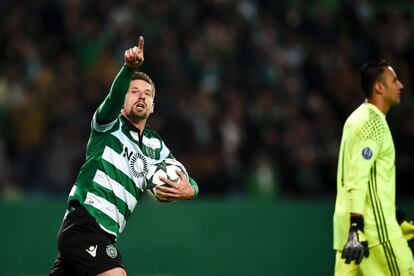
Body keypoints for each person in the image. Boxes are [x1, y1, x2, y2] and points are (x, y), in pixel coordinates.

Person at [49, 36, 199, 276]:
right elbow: (112, 98)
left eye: (147, 94)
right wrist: (129, 69)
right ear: (122, 100)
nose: (141, 96)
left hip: (105, 233)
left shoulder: (155, 146)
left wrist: (190, 190)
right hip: (85, 223)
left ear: (153, 106)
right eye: (134, 91)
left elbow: (185, 178)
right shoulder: (108, 124)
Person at [333, 60, 414, 275]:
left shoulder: (356, 119)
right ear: (379, 87)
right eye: (394, 80)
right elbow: (357, 176)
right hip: (372, 232)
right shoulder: (373, 123)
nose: (401, 86)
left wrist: (393, 213)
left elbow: (363, 177)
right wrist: (356, 227)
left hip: (349, 236)